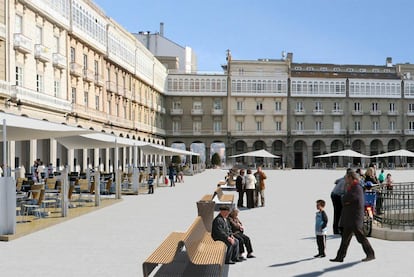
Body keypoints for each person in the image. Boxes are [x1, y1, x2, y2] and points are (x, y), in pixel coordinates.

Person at [330, 169, 375, 263]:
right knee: (345, 239)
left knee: (361, 237)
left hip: (355, 217)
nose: (345, 179)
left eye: (347, 178)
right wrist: (345, 199)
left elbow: (348, 198)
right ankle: (340, 257)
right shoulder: (352, 187)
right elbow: (346, 200)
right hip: (350, 218)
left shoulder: (356, 187)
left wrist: (344, 199)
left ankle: (370, 254)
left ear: (351, 178)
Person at [331, 169, 349, 234]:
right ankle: (337, 229)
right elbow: (343, 192)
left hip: (334, 194)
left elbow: (336, 181)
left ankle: (336, 229)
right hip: (336, 196)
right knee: (338, 212)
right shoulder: (345, 181)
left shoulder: (343, 178)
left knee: (337, 212)